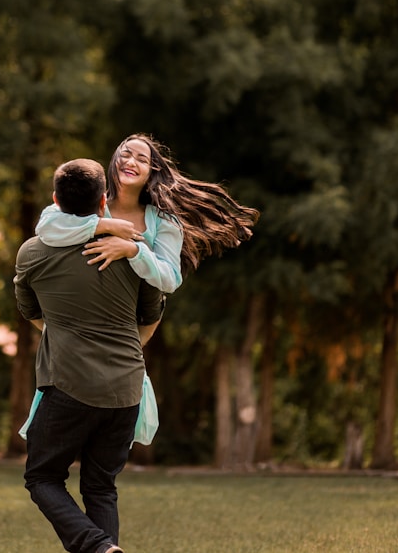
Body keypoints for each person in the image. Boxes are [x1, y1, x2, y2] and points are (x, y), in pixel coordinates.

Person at [14, 158, 165, 553]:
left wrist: (63, 336)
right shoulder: (132, 251)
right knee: (101, 486)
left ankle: (96, 546)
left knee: (42, 477)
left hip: (68, 384)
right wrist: (128, 351)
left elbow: (30, 311)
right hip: (126, 389)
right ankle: (104, 549)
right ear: (103, 202)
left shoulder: (33, 253)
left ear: (54, 200)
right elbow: (152, 312)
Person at [35, 133, 259, 293]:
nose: (131, 161)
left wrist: (133, 250)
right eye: (126, 154)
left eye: (142, 160)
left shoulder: (164, 220)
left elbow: (170, 279)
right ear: (114, 162)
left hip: (132, 319)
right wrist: (104, 226)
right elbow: (46, 227)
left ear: (151, 173)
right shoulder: (94, 200)